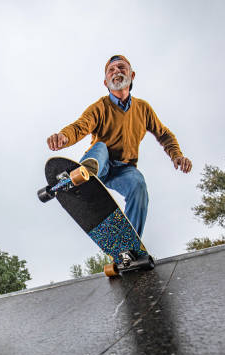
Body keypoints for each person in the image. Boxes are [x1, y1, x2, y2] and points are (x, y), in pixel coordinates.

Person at [47, 55, 192, 237]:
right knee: (100, 147)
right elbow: (80, 126)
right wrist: (63, 137)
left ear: (132, 75)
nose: (116, 71)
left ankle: (129, 243)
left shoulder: (143, 109)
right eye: (111, 70)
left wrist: (176, 155)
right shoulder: (100, 107)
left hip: (124, 170)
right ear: (106, 83)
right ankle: (81, 179)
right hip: (100, 163)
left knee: (139, 186)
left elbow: (164, 134)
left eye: (121, 68)